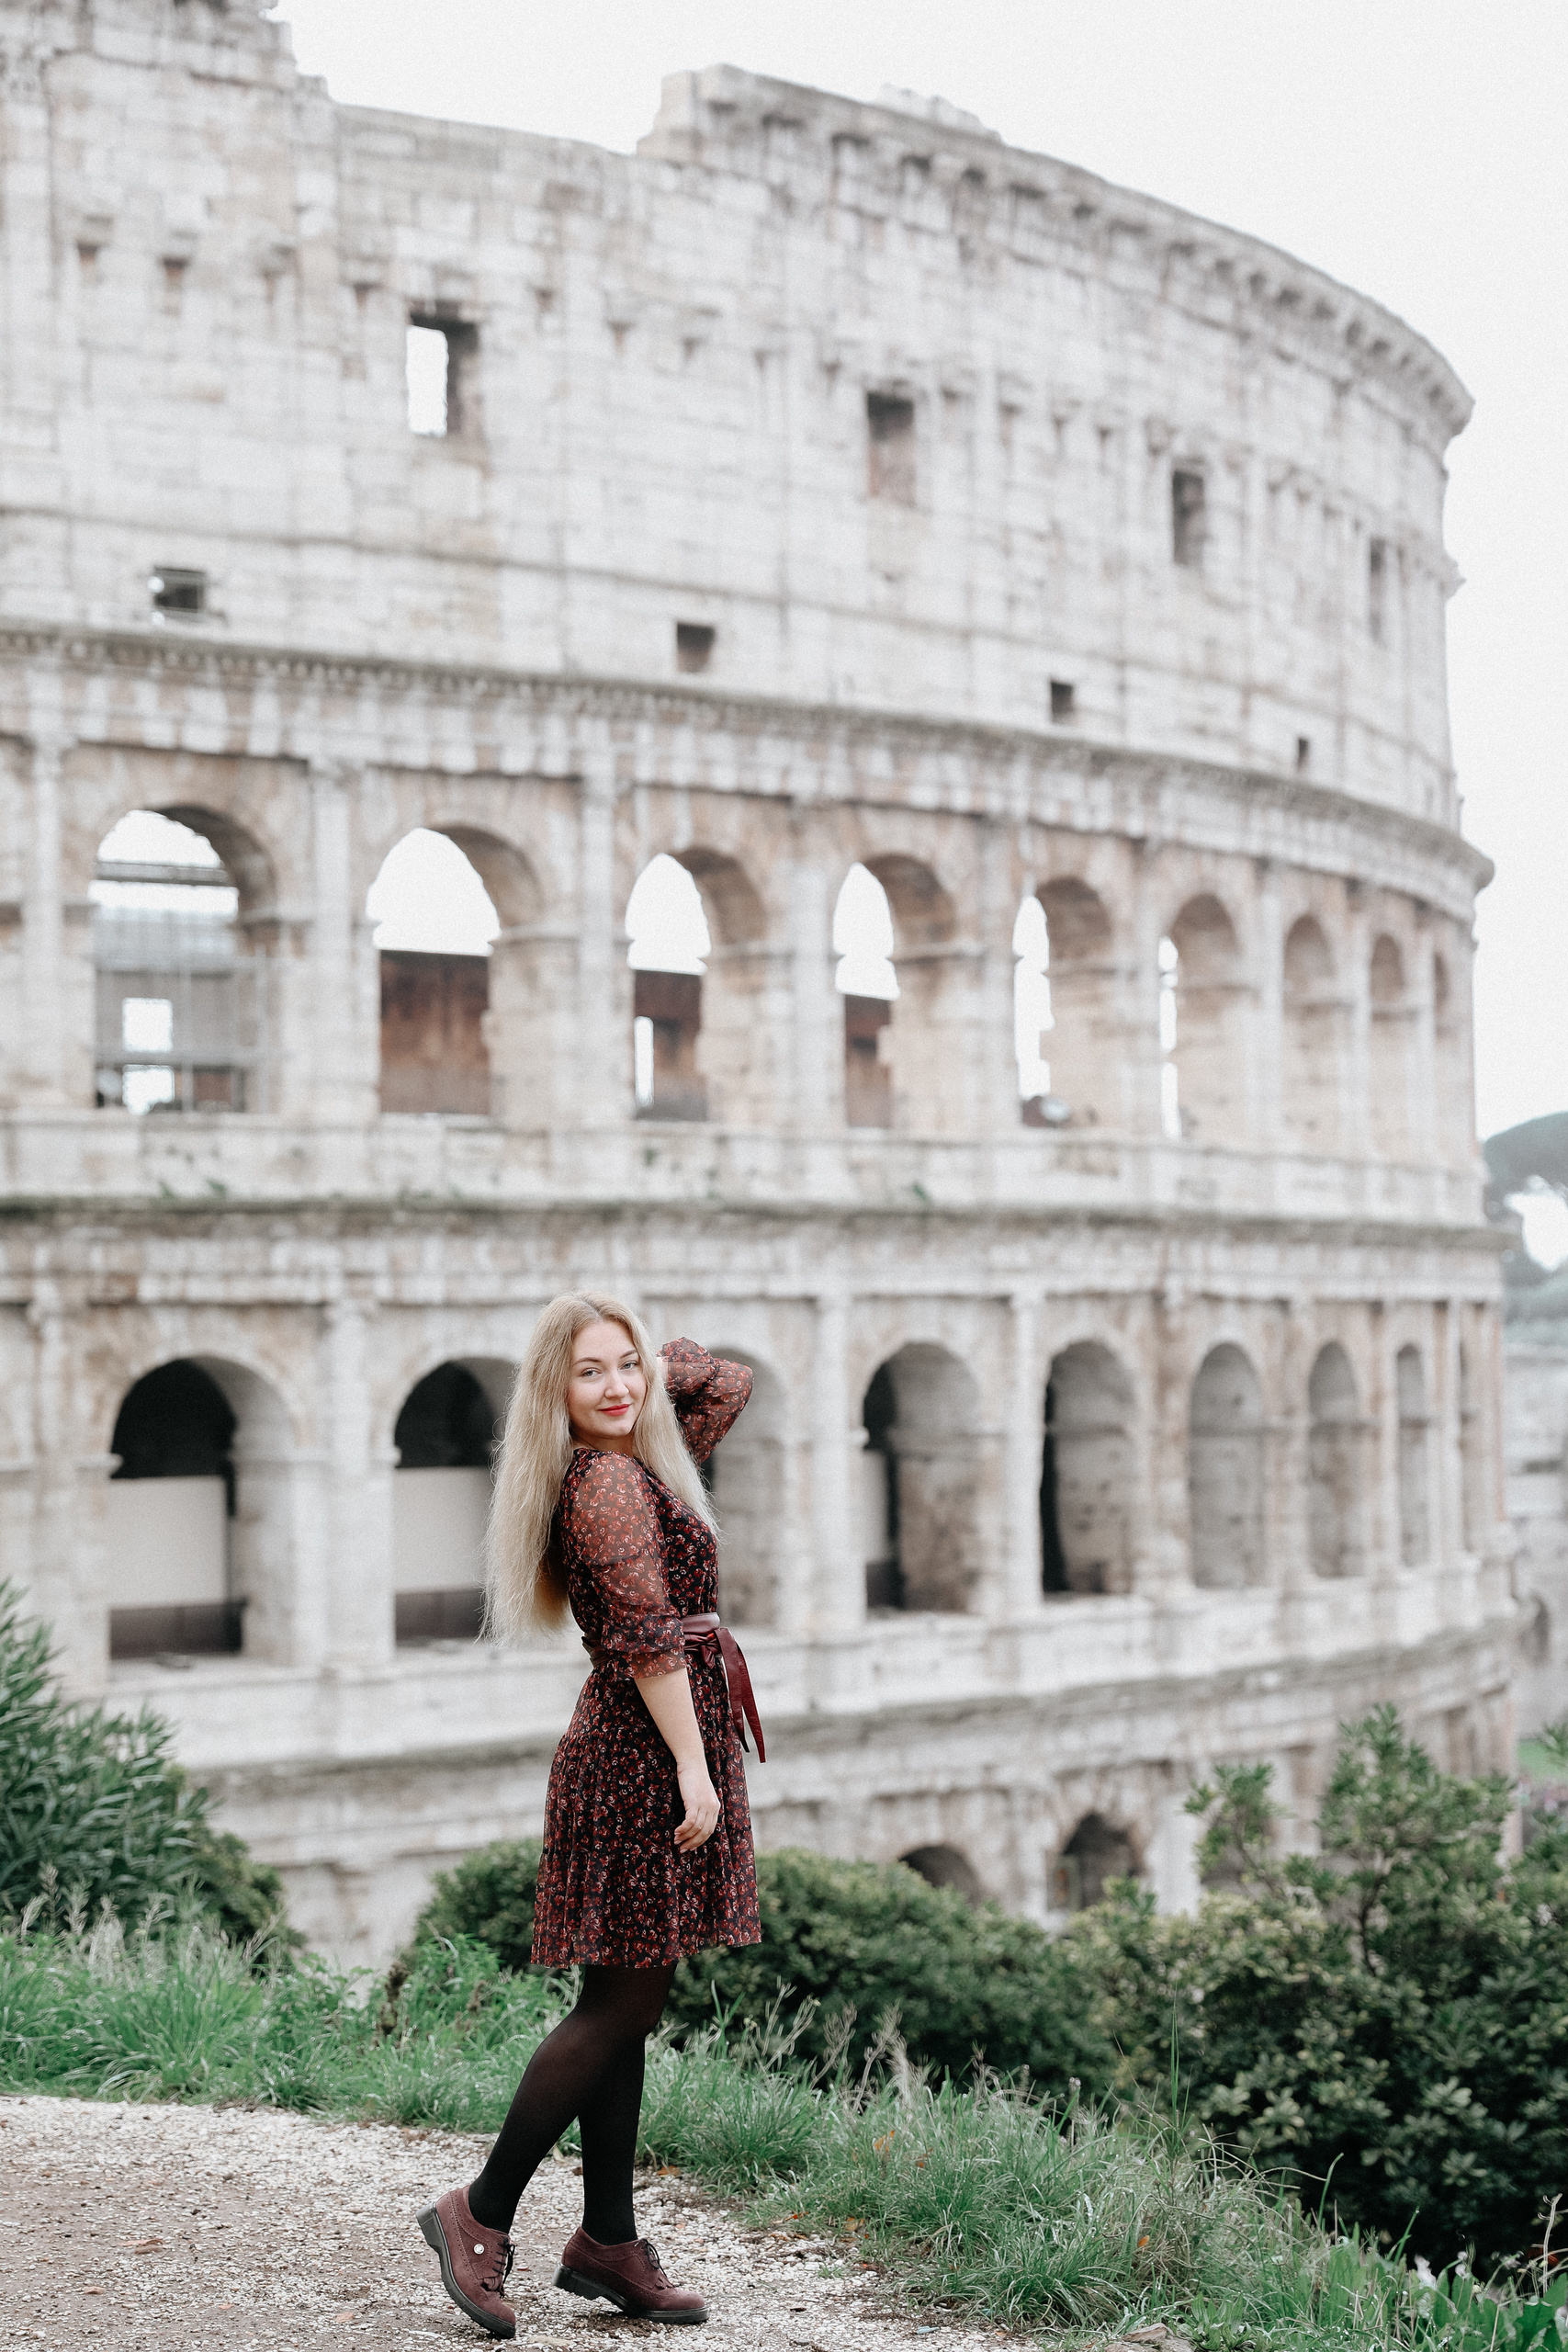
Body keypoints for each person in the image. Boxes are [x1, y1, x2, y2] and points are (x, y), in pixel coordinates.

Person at [417, 1293, 761, 2335]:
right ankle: (479, 2211)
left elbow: (723, 1383)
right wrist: (694, 1769)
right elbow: (649, 1643)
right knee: (616, 2008)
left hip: (638, 1747)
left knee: (627, 2000)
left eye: (626, 1366)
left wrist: (624, 1351)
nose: (617, 1388)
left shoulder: (628, 1456)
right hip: (640, 1759)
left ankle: (608, 2239)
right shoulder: (606, 1483)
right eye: (588, 1373)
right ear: (550, 1394)